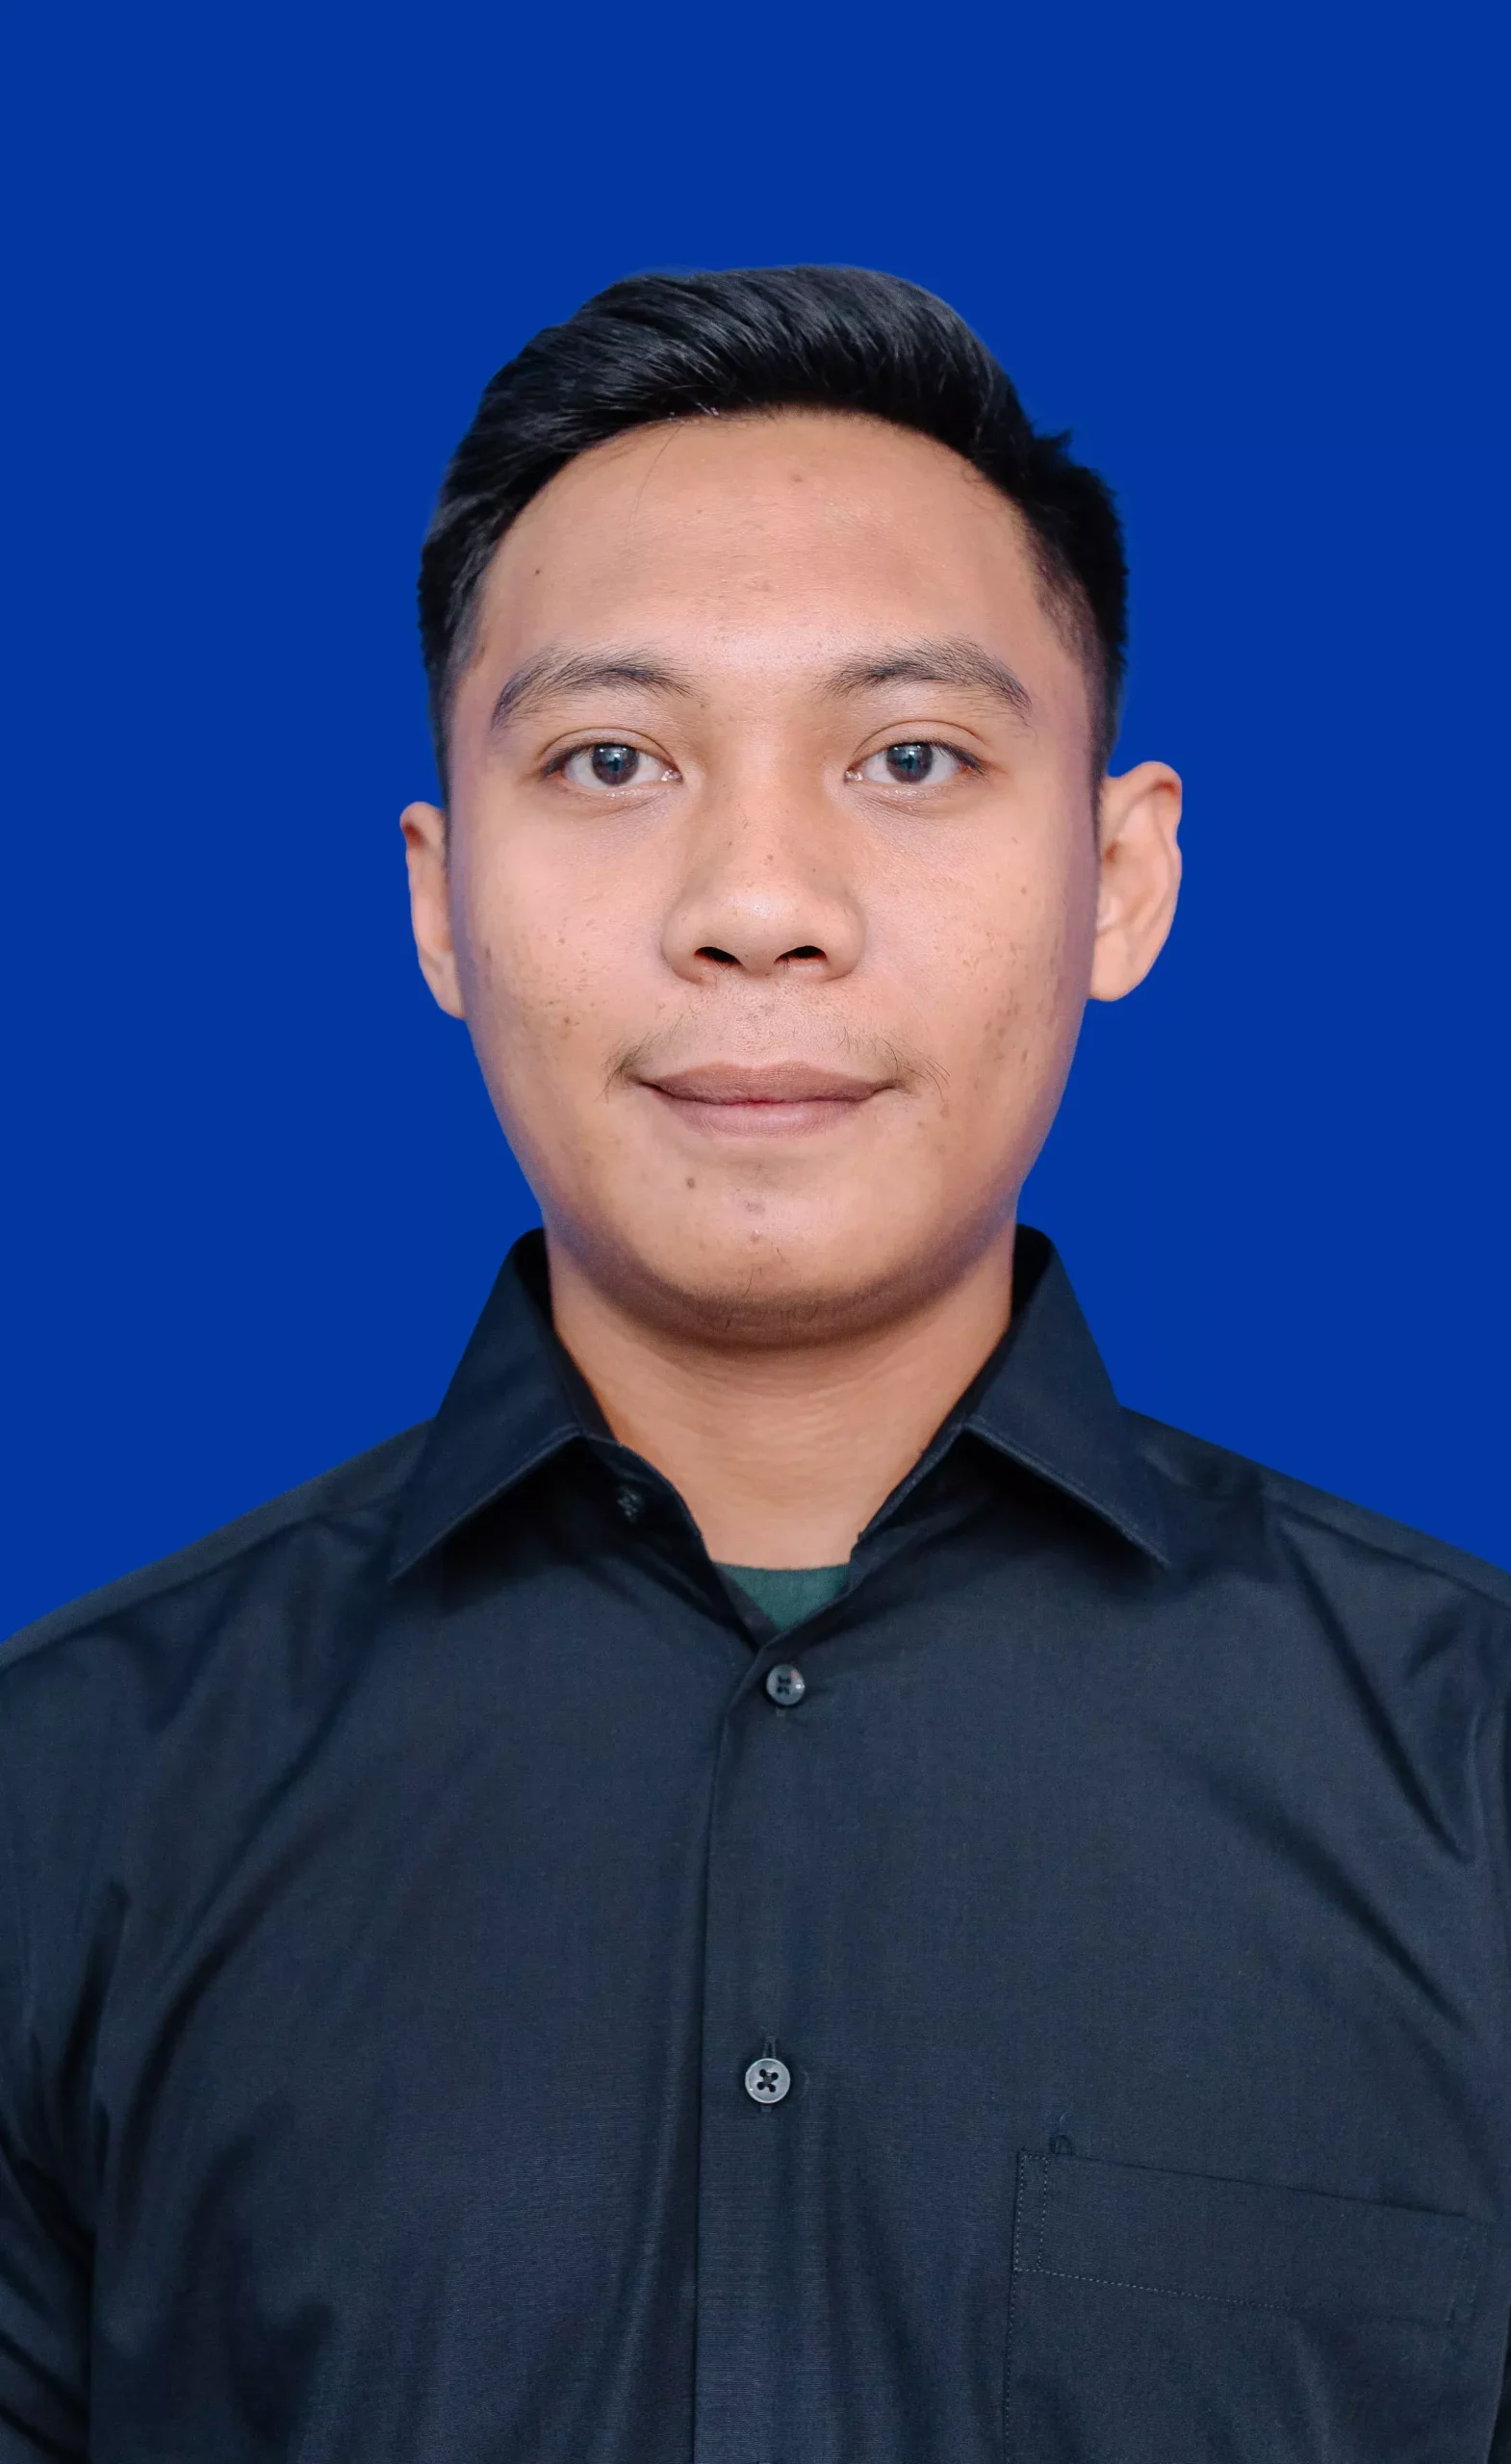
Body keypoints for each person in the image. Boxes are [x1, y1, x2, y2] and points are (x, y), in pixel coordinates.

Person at [2, 265, 1507, 2464]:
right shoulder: (62, 1806)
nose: (757, 901)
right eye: (610, 760)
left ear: (1117, 874)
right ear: (438, 894)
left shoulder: (1466, 1780)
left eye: (909, 756)